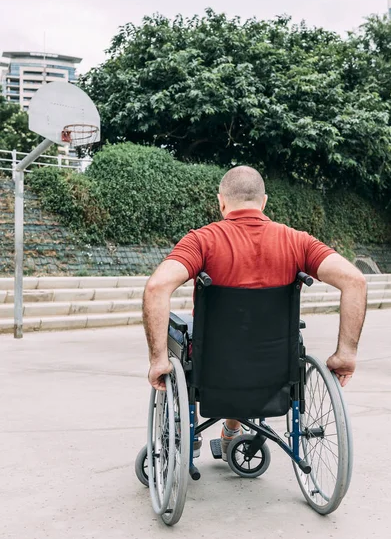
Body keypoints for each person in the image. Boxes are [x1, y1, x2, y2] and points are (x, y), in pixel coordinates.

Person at [142, 166, 367, 460]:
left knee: (185, 335)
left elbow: (157, 288)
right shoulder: (298, 241)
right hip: (275, 364)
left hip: (214, 364)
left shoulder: (201, 240)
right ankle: (232, 432)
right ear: (264, 202)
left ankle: (190, 431)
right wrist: (346, 354)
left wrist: (158, 360)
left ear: (222, 202)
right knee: (252, 349)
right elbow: (355, 280)